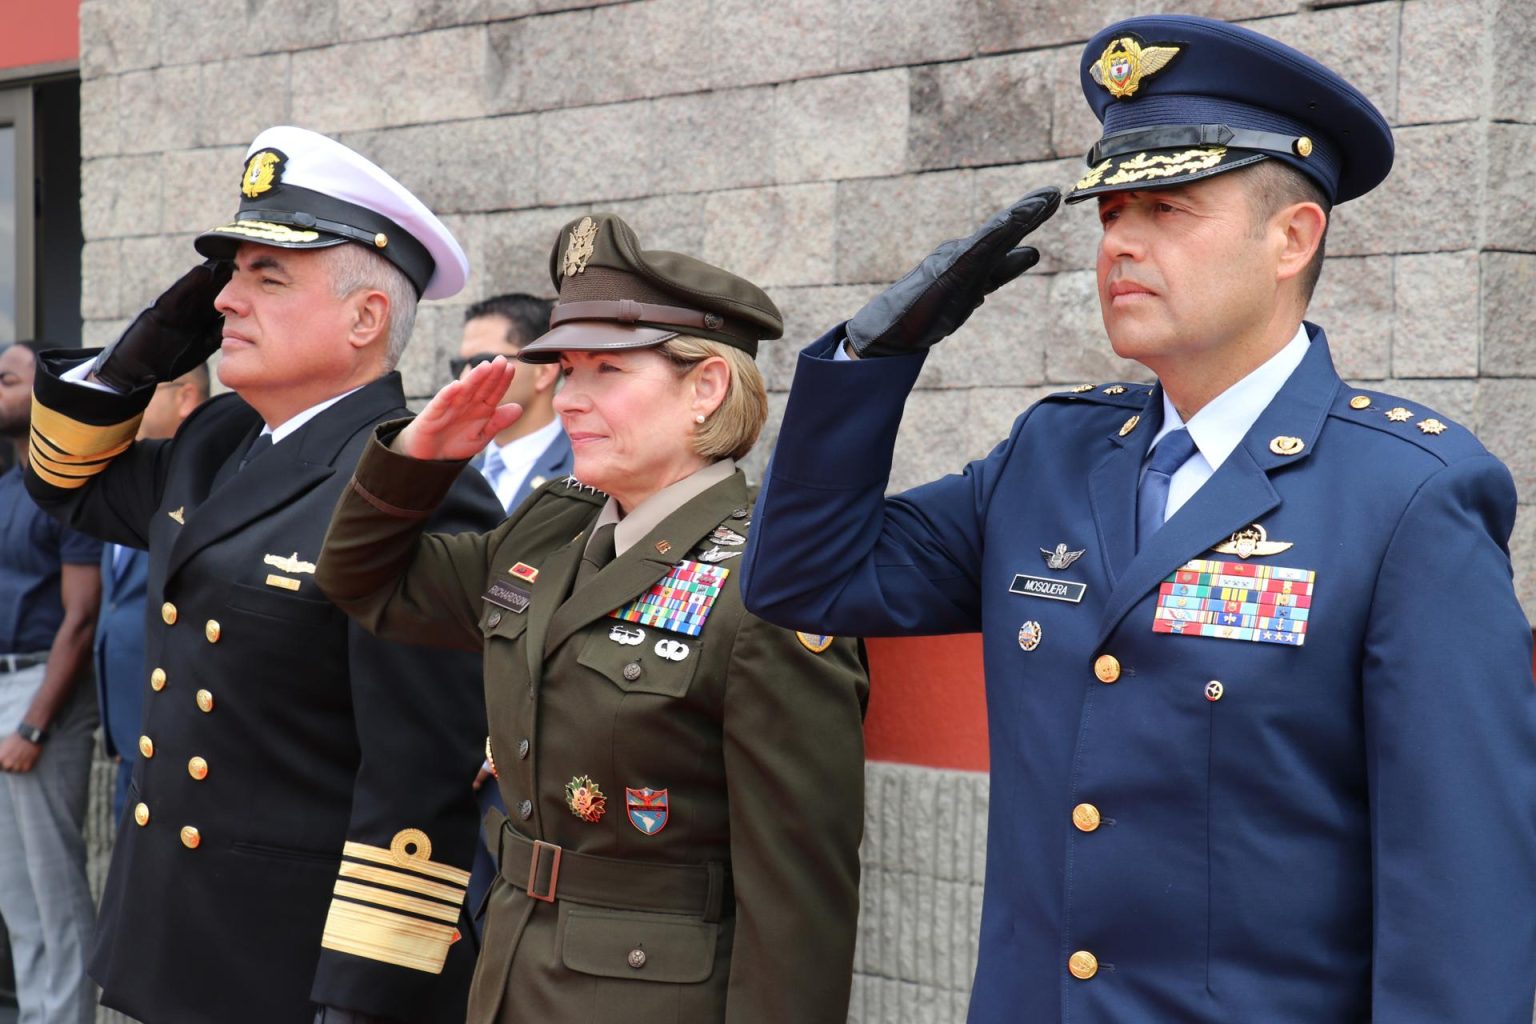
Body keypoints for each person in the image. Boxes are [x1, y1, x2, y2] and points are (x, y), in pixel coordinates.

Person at [740, 14, 1536, 1024]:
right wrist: (869, 365)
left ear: (1293, 237)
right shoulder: (1052, 456)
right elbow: (804, 578)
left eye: (1168, 208)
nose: (1120, 242)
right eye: (1112, 212)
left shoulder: (1408, 495)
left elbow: (1460, 902)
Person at [314, 213, 869, 1023]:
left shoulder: (770, 584)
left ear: (706, 388)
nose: (570, 398)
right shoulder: (551, 528)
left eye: (606, 369)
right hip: (508, 969)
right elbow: (366, 584)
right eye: (566, 370)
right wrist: (418, 461)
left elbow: (798, 903)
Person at [24, 126, 503, 1024]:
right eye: (226, 277)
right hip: (169, 947)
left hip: (284, 971)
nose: (225, 304)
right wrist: (137, 360)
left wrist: (365, 1003)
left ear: (365, 319)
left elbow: (417, 781)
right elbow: (63, 482)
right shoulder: (218, 443)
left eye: (265, 278)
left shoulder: (412, 484)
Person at [451, 293, 571, 942]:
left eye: (488, 361)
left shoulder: (589, 472)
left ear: (546, 369)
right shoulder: (448, 470)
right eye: (458, 363)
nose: (469, 379)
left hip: (529, 767)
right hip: (442, 755)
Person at [0, 340, 103, 1024]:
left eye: (5, 378)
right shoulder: (8, 485)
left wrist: (34, 722)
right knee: (15, 892)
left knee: (54, 888)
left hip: (43, 692)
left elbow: (82, 615)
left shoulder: (70, 487)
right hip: (3, 683)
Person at [93, 363, 210, 820]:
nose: (124, 404)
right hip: (129, 734)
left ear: (185, 398)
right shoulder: (130, 482)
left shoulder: (206, 485)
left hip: (182, 743)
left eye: (140, 391)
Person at [454, 294, 570, 511]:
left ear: (544, 371)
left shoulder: (584, 474)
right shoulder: (459, 475)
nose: (464, 377)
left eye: (483, 363)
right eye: (460, 364)